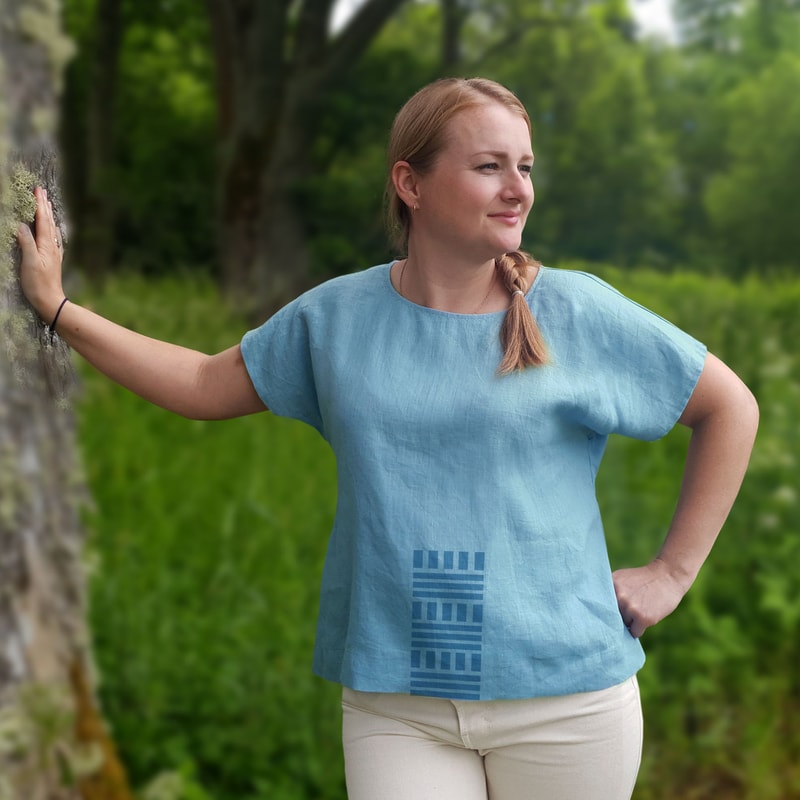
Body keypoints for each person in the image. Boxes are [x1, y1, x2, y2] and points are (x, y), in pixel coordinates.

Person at [17, 77, 758, 800]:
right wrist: (56, 308)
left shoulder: (577, 311)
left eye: (525, 167)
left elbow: (729, 407)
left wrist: (672, 572)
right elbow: (203, 386)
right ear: (411, 182)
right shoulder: (335, 319)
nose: (518, 188)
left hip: (565, 699)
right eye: (488, 166)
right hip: (396, 700)